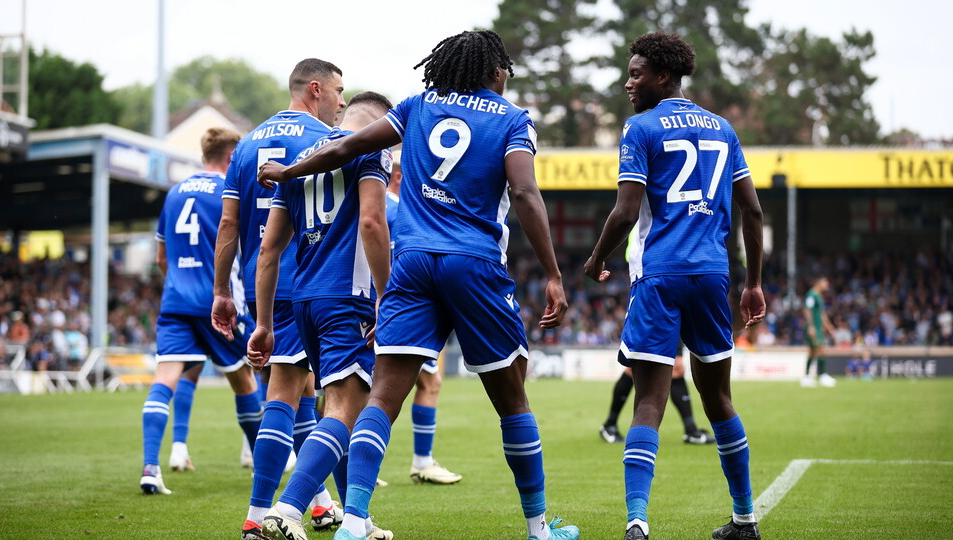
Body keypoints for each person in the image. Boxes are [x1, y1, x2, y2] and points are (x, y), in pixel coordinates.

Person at [258, 29, 580, 540]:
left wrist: (290, 169)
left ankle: (355, 520)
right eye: (504, 69)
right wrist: (555, 274)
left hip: (411, 266)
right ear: (495, 71)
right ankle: (540, 528)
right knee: (512, 399)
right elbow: (522, 190)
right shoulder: (513, 119)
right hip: (473, 264)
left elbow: (351, 145)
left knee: (382, 397)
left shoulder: (417, 104)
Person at [583, 32, 766, 540]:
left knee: (648, 403)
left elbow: (625, 210)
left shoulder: (640, 127)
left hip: (660, 275)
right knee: (720, 400)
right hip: (713, 276)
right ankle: (745, 519)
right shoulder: (723, 129)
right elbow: (752, 210)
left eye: (636, 73)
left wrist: (596, 258)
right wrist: (752, 284)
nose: (628, 82)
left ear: (663, 76)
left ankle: (637, 523)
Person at [211, 58, 346, 539]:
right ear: (315, 89)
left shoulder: (246, 146)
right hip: (312, 281)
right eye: (337, 91)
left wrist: (223, 290)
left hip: (260, 285)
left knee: (302, 391)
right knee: (289, 394)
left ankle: (321, 504)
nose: (342, 102)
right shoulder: (324, 142)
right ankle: (258, 514)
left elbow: (228, 224)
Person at [253, 91, 395, 540]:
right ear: (380, 123)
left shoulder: (300, 161)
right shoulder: (372, 151)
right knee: (344, 408)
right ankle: (289, 508)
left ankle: (358, 515)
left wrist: (262, 323)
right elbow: (372, 222)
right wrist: (386, 294)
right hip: (346, 298)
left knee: (339, 406)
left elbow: (269, 250)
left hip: (303, 302)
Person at [141, 127, 263, 496]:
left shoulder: (175, 192)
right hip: (218, 302)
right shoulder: (230, 192)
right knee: (245, 380)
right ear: (231, 158)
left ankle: (150, 467)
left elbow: (162, 257)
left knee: (164, 380)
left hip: (176, 300)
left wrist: (180, 284)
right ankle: (264, 465)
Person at [386, 151, 462, 485]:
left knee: (365, 389)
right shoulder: (403, 212)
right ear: (401, 177)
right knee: (378, 392)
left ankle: (420, 462)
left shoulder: (375, 208)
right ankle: (420, 462)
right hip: (403, 308)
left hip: (380, 305)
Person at [600, 227, 714, 446]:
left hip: (672, 289)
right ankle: (610, 424)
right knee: (636, 368)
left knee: (675, 367)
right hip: (653, 289)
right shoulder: (645, 219)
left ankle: (690, 429)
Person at [802, 277, 837, 387]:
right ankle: (822, 375)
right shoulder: (811, 295)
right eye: (825, 282)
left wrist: (829, 326)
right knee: (821, 349)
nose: (827, 285)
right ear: (818, 282)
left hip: (818, 327)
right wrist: (811, 326)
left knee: (813, 351)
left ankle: (807, 377)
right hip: (814, 328)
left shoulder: (819, 296)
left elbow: (821, 313)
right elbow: (807, 310)